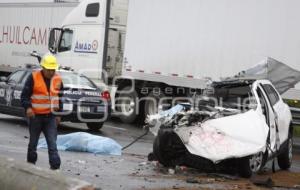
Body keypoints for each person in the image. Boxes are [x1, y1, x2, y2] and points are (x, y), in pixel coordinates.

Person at [21, 54, 62, 170]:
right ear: (43, 68)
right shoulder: (33, 77)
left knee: (52, 145)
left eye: (53, 70)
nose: (51, 72)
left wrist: (59, 114)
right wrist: (28, 108)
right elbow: (24, 96)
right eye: (49, 70)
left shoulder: (58, 79)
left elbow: (61, 97)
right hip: (36, 117)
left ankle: (55, 168)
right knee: (33, 144)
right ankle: (30, 165)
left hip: (51, 117)